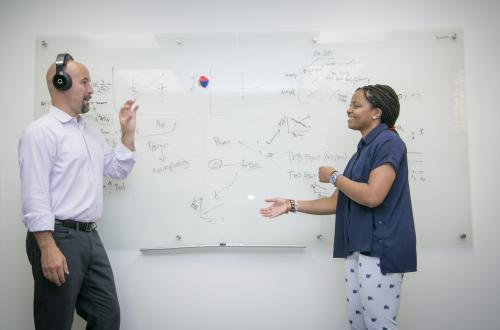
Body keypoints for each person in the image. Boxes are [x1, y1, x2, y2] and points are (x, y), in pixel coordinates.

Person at [260, 84, 416, 330]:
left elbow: (373, 196)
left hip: (380, 249)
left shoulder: (388, 142)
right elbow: (336, 201)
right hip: (359, 248)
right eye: (350, 105)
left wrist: (334, 176)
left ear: (376, 112)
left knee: (379, 326)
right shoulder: (362, 152)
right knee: (359, 324)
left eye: (356, 105)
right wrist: (291, 205)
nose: (349, 110)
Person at [18, 53, 138, 330]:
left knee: (107, 317)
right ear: (61, 82)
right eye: (85, 82)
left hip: (89, 237)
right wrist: (47, 247)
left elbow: (116, 170)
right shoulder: (40, 132)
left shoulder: (89, 132)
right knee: (55, 322)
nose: (91, 89)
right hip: (57, 236)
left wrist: (127, 133)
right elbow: (34, 193)